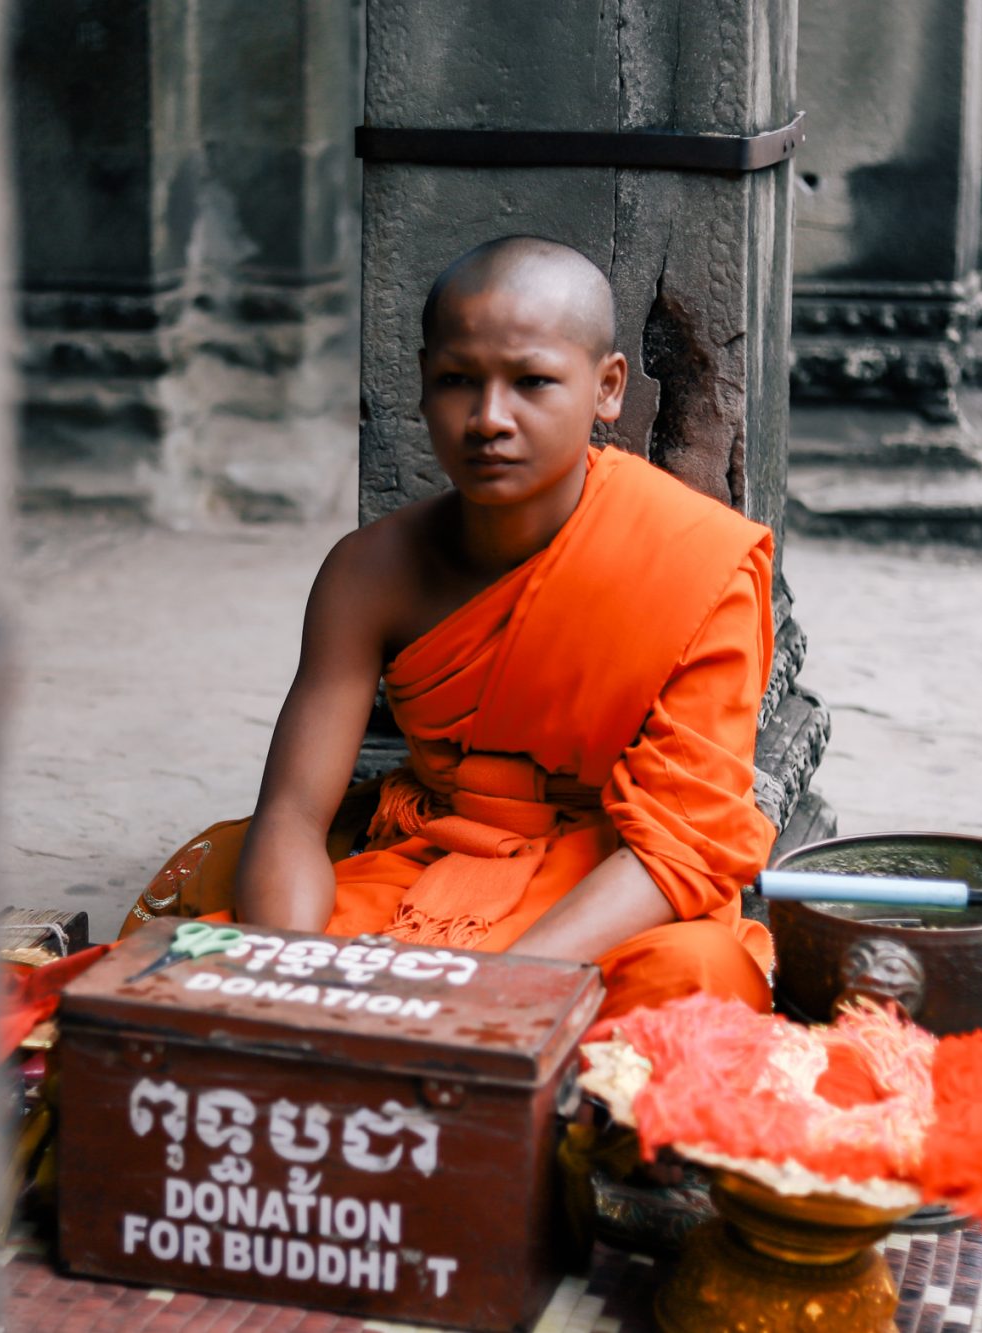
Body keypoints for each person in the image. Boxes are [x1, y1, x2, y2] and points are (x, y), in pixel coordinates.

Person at [228, 236, 777, 1023]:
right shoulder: (368, 572)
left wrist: (484, 992)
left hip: (606, 893)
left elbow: (677, 845)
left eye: (532, 382)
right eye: (458, 382)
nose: (489, 419)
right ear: (422, 385)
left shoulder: (695, 563)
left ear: (608, 388)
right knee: (220, 953)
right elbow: (291, 814)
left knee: (696, 977)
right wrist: (290, 977)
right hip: (431, 867)